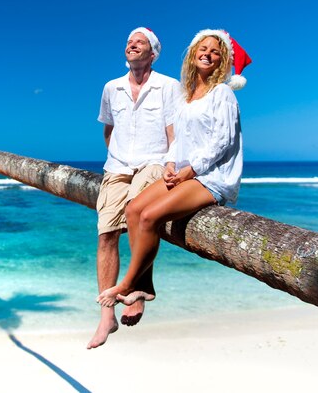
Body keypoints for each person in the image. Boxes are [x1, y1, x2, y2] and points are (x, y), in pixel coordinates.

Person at [96, 29, 252, 311]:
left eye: (215, 51)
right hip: (183, 172)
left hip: (210, 178)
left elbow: (222, 141)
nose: (207, 53)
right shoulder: (187, 96)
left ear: (222, 60)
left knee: (150, 217)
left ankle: (128, 283)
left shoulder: (222, 93)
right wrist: (170, 164)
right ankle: (146, 287)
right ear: (193, 54)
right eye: (202, 48)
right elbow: (178, 139)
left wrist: (189, 171)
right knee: (133, 210)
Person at [88, 27, 181, 349]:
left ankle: (135, 291)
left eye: (139, 43)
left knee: (138, 215)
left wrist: (172, 165)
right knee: (106, 233)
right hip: (116, 166)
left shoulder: (168, 86)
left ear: (152, 53)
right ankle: (105, 316)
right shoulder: (111, 88)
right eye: (129, 42)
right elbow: (108, 129)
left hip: (155, 162)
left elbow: (174, 132)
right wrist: (115, 155)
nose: (131, 45)